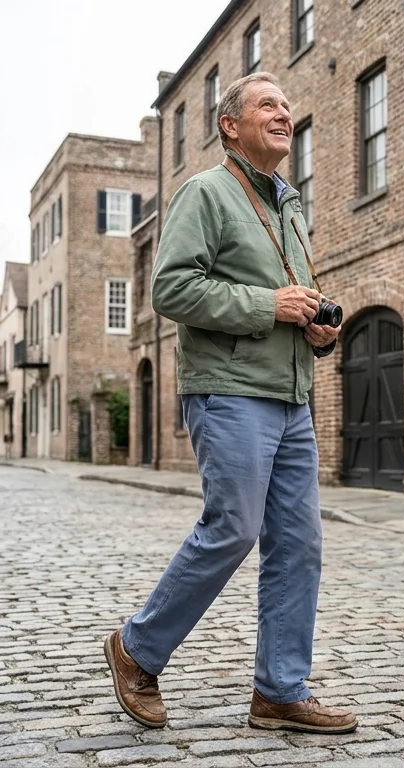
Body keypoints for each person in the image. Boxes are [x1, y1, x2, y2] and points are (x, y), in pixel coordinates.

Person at [103, 72, 355, 734]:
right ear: (230, 125)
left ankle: (279, 690)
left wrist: (317, 330)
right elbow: (172, 289)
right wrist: (268, 306)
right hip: (229, 391)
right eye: (268, 105)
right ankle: (136, 649)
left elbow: (293, 299)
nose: (284, 114)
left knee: (298, 545)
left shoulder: (290, 205)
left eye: (288, 107)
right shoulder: (206, 193)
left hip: (291, 397)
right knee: (232, 530)